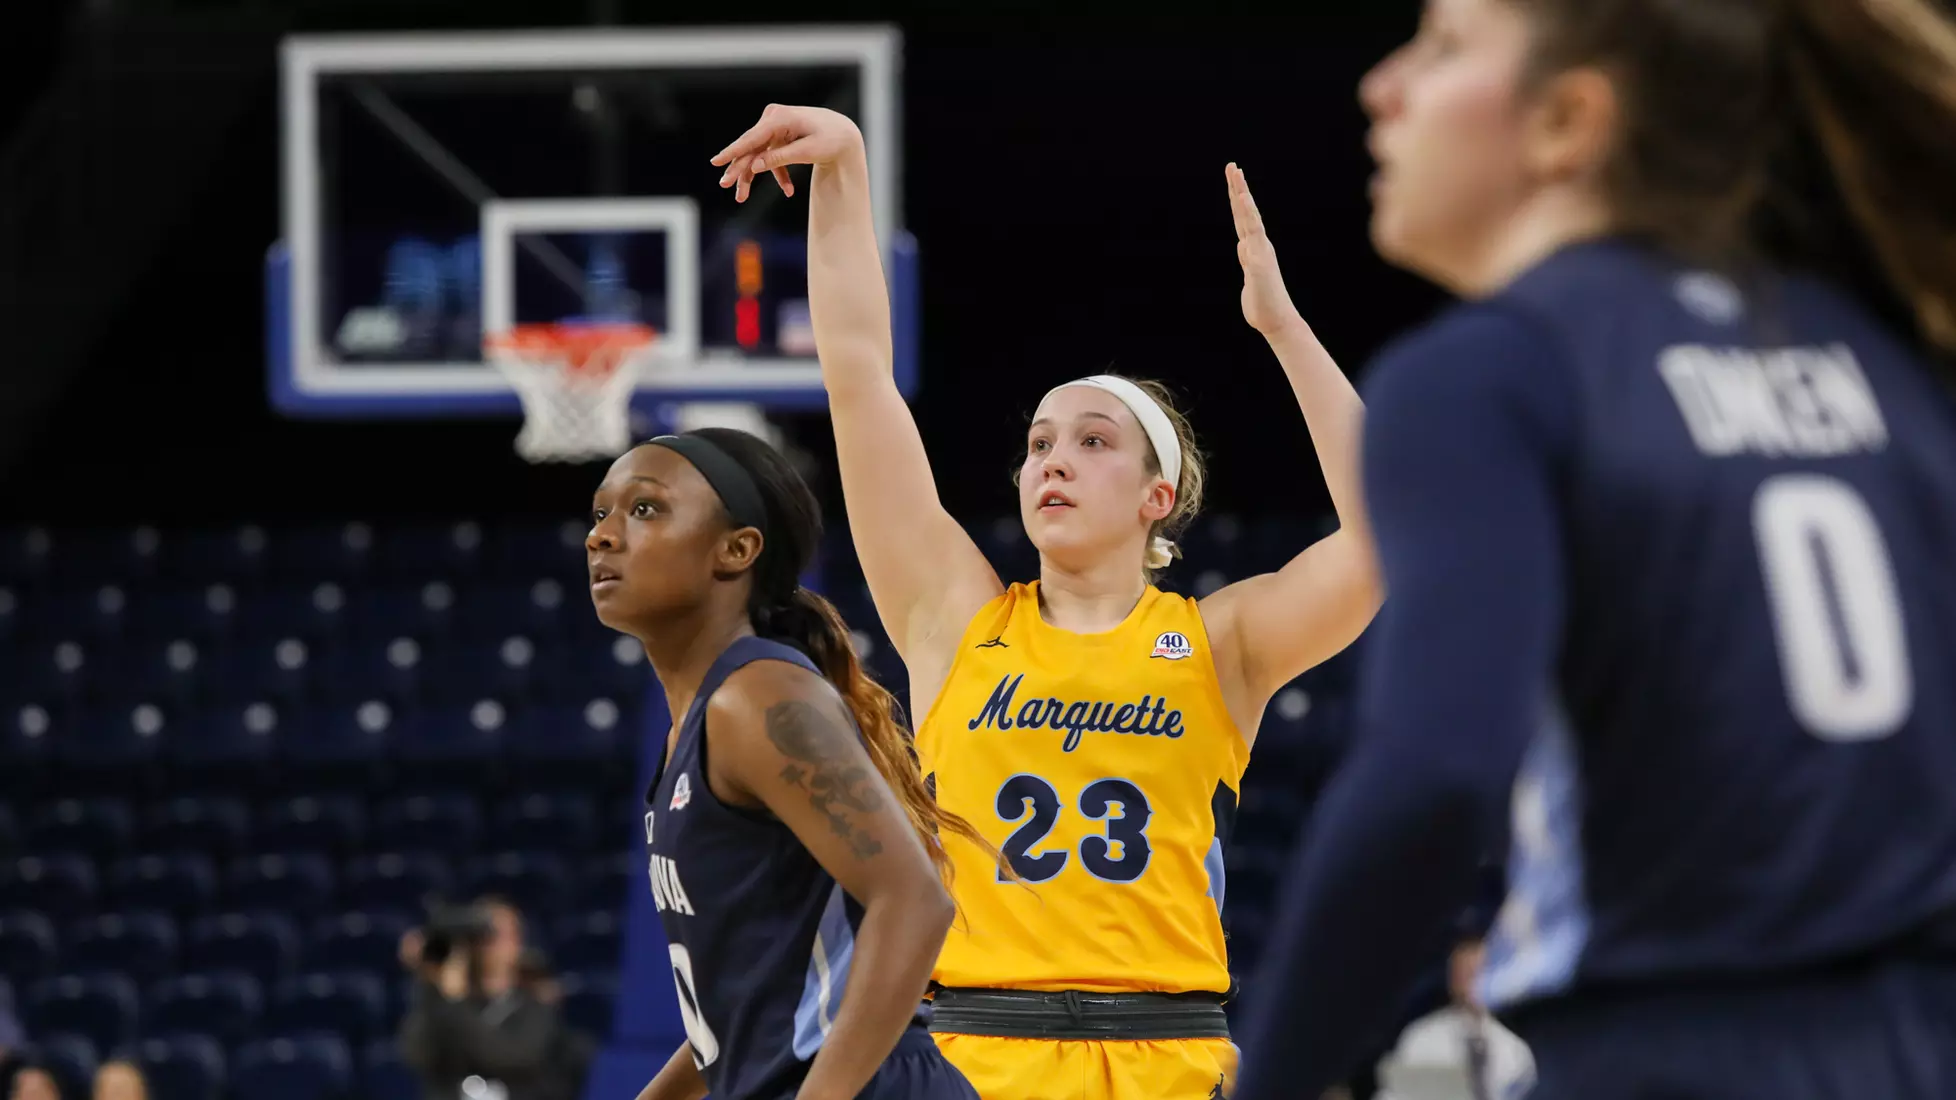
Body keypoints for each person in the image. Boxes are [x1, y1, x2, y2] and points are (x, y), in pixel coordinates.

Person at [1233, 1, 1956, 1098]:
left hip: (1660, 1048)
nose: (1383, 87)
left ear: (1567, 122)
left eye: (1443, 47)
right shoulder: (1886, 351)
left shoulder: (1493, 370)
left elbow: (1434, 778)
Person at [711, 106, 1381, 1098]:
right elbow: (856, 377)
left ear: (1158, 496)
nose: (1052, 459)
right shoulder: (955, 617)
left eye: (1092, 441)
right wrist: (844, 169)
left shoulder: (1220, 642)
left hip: (1166, 1059)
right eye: (1038, 443)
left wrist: (1281, 327)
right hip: (975, 1054)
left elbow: (1387, 529)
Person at [589, 428, 994, 1100]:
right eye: (601, 513)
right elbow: (750, 1008)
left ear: (737, 550)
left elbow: (916, 901)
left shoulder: (757, 697)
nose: (601, 536)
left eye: (644, 509)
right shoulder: (704, 719)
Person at [398, 897, 571, 1100]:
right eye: (477, 937)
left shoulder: (535, 1006)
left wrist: (455, 1002)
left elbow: (509, 1056)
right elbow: (416, 1054)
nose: (485, 945)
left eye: (493, 934)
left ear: (517, 942)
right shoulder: (443, 1001)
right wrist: (430, 979)